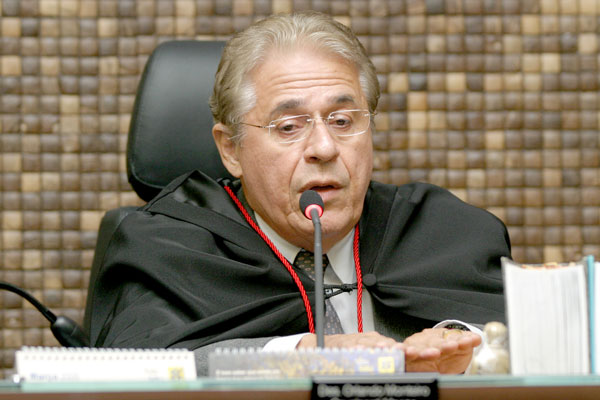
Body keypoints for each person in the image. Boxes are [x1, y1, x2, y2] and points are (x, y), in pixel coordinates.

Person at [88, 12, 510, 375]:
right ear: (230, 149)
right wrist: (301, 355)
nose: (324, 148)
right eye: (289, 127)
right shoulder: (168, 249)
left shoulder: (443, 231)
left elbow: (526, 338)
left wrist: (465, 344)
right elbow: (139, 366)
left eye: (342, 121)